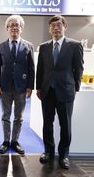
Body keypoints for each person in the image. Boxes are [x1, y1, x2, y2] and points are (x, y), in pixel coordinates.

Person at [36, 15, 84, 169]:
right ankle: (48, 152)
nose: (56, 28)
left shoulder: (75, 45)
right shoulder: (44, 47)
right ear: (49, 29)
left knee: (66, 125)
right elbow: (40, 69)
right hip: (47, 92)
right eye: (53, 26)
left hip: (66, 92)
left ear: (64, 27)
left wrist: (75, 87)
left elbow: (79, 68)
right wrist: (38, 87)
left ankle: (64, 155)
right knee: (47, 124)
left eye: (59, 25)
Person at [0, 15, 35, 155]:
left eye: (17, 25)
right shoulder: (0, 47)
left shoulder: (28, 46)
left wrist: (30, 86)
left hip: (21, 87)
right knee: (5, 115)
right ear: (7, 28)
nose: (14, 27)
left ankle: (15, 141)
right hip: (5, 87)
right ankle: (6, 141)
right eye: (11, 25)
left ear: (21, 28)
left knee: (19, 116)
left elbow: (31, 68)